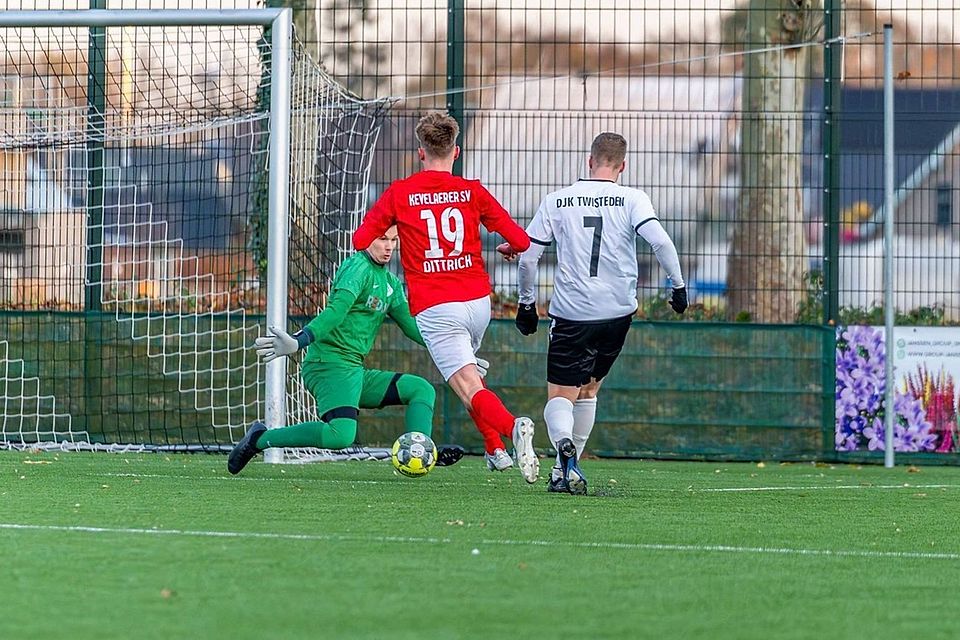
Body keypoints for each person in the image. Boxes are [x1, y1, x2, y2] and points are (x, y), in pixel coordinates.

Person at [352, 111, 539, 484]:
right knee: (467, 378)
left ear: (420, 153)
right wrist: (506, 247)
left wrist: (402, 225)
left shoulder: (400, 193)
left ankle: (512, 427)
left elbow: (361, 240)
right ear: (456, 152)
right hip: (477, 302)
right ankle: (494, 450)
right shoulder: (472, 191)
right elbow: (521, 241)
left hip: (437, 306)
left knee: (468, 385)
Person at [498, 132, 687, 494]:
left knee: (560, 396)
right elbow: (661, 241)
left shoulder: (558, 200)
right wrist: (677, 287)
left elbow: (529, 258)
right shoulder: (633, 198)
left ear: (589, 161)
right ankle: (564, 470)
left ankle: (564, 446)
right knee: (589, 390)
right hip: (617, 313)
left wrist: (526, 304)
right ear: (623, 166)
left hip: (572, 313)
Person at [228, 225, 466, 474]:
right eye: (382, 239)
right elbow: (335, 312)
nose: (389, 247)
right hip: (328, 365)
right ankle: (259, 440)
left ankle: (420, 450)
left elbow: (412, 326)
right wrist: (299, 340)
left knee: (420, 389)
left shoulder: (391, 284)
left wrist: (456, 354)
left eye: (394, 241)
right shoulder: (357, 268)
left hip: (353, 370)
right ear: (367, 238)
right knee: (340, 436)